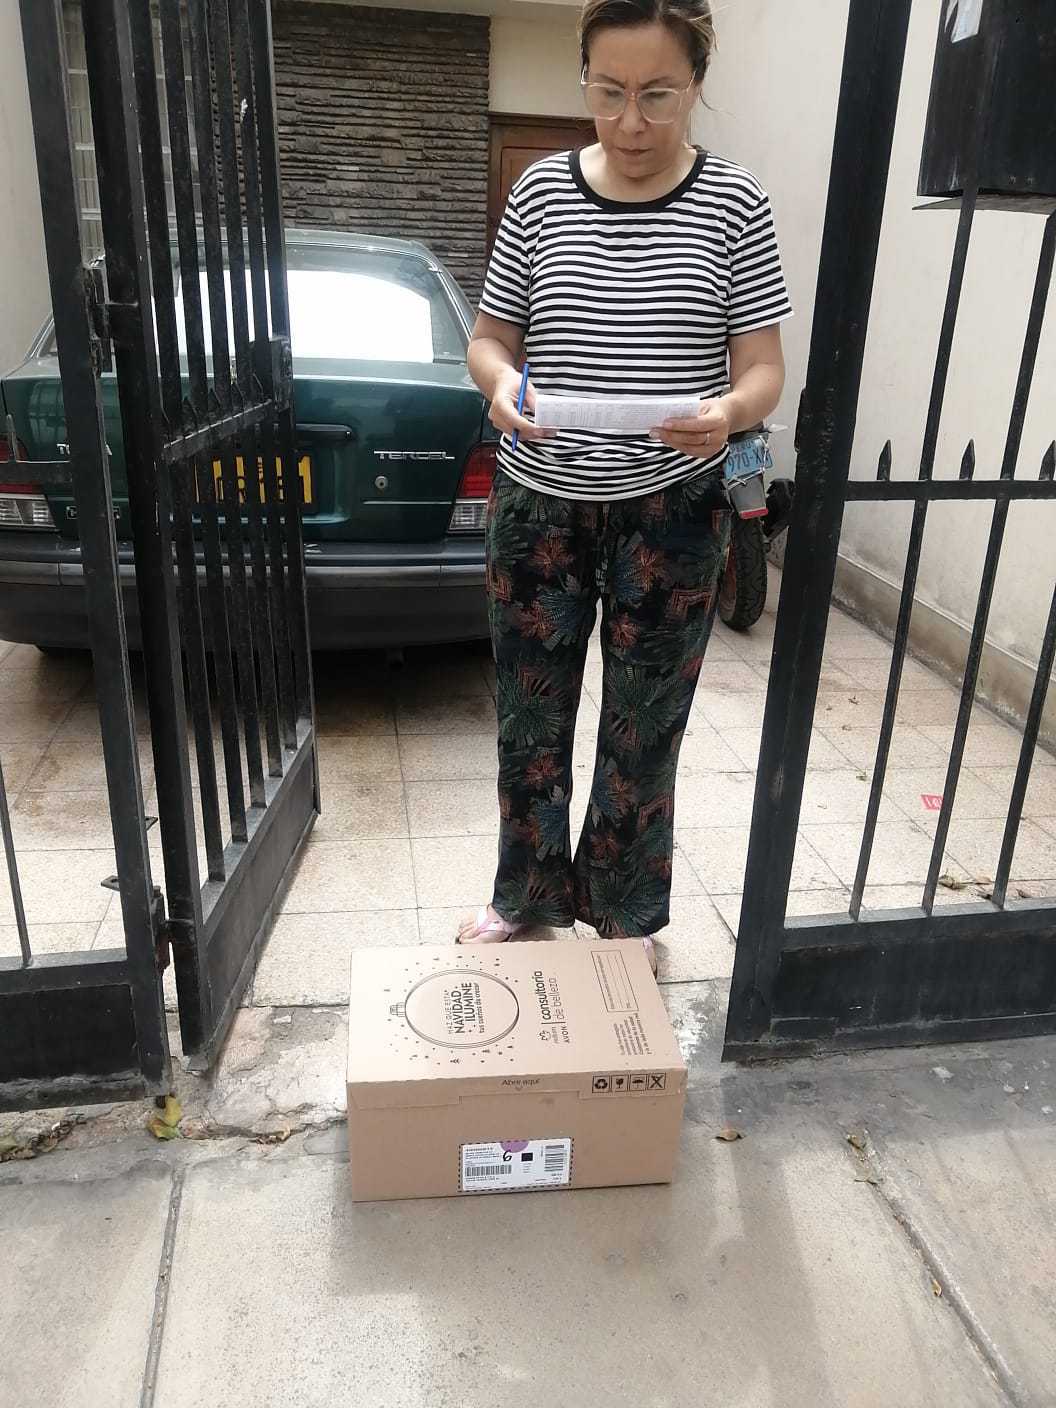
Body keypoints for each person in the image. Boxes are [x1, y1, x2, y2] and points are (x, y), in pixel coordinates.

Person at [457, 0, 792, 974]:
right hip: (540, 504)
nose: (631, 122)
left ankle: (625, 912)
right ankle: (524, 898)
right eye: (608, 93)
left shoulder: (735, 204)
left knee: (645, 725)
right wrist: (501, 388)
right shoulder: (540, 193)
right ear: (584, 80)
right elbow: (490, 340)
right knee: (530, 714)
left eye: (658, 95)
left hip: (673, 510)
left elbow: (763, 366)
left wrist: (729, 412)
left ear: (697, 85)